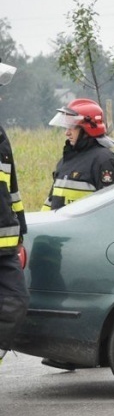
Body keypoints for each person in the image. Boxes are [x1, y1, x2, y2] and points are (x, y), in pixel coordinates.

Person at [43, 99, 114, 211]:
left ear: (87, 129)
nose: (67, 133)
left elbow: (111, 208)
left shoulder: (104, 160)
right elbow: (51, 201)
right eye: (66, 127)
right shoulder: (67, 159)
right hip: (60, 227)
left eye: (72, 127)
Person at [0, 61, 29, 367]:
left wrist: (19, 230)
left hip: (5, 247)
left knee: (16, 302)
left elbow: (12, 189)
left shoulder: (0, 136)